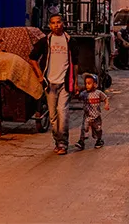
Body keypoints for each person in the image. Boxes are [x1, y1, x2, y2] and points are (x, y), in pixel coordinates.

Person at [30, 14, 78, 155]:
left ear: (63, 23)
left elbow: (75, 63)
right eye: (53, 23)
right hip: (49, 84)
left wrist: (75, 81)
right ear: (50, 25)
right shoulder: (45, 41)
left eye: (58, 22)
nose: (56, 25)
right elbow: (32, 58)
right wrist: (39, 75)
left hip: (64, 83)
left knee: (63, 113)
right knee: (53, 116)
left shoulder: (70, 41)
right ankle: (57, 141)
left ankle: (63, 144)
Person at [74, 74, 110, 150]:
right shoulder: (84, 93)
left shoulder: (98, 93)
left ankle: (99, 140)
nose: (87, 85)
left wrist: (106, 104)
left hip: (96, 116)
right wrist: (77, 93)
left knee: (97, 129)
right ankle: (81, 142)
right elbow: (78, 97)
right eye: (86, 83)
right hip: (87, 116)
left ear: (95, 84)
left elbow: (105, 98)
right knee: (84, 128)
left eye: (89, 83)